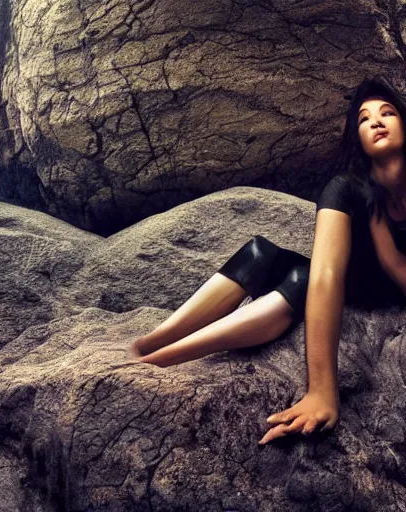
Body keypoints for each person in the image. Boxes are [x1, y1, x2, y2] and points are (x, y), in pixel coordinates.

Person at [127, 75, 406, 444]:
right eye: (363, 118)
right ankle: (152, 342)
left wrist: (325, 395)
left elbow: (394, 268)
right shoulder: (348, 188)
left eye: (387, 112)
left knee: (301, 280)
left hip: (374, 293)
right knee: (261, 252)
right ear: (357, 138)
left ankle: (163, 359)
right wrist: (321, 387)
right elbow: (327, 274)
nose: (375, 120)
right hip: (338, 280)